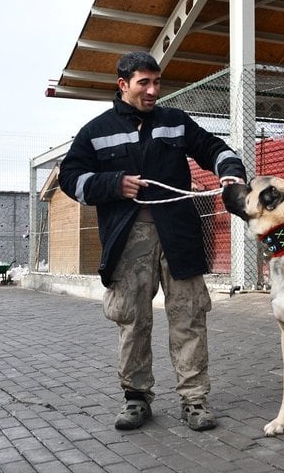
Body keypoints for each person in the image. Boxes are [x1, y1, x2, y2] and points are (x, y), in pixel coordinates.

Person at [58, 51, 246, 431]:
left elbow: (214, 149)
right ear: (123, 84)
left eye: (157, 83)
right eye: (144, 83)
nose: (153, 90)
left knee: (190, 317)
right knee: (133, 320)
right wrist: (112, 183)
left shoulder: (174, 122)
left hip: (179, 235)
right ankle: (136, 399)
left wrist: (230, 171)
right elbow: (70, 177)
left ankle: (194, 400)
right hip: (129, 240)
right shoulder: (96, 130)